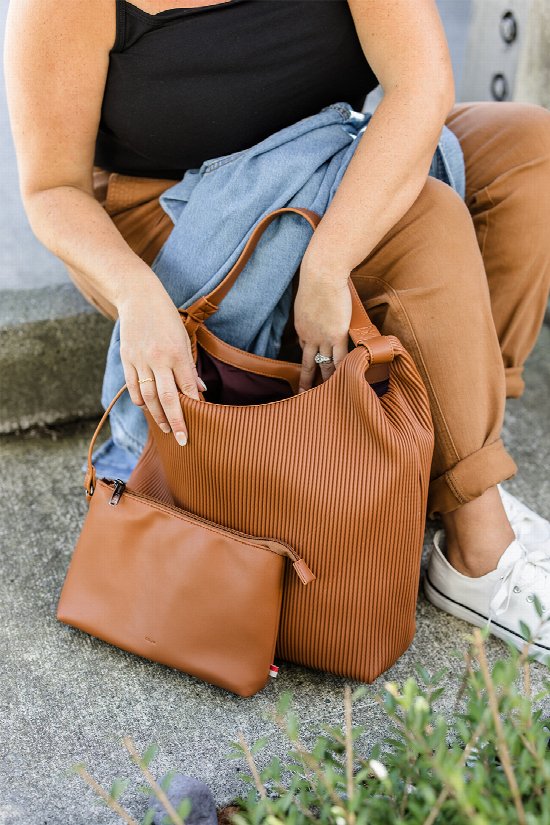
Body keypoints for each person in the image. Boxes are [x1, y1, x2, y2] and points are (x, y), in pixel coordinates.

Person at [5, 0, 550, 661]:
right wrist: (133, 295)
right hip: (178, 212)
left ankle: (443, 465)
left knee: (528, 155)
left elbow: (421, 82)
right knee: (421, 219)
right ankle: (476, 546)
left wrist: (327, 264)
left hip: (322, 150)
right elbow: (52, 190)